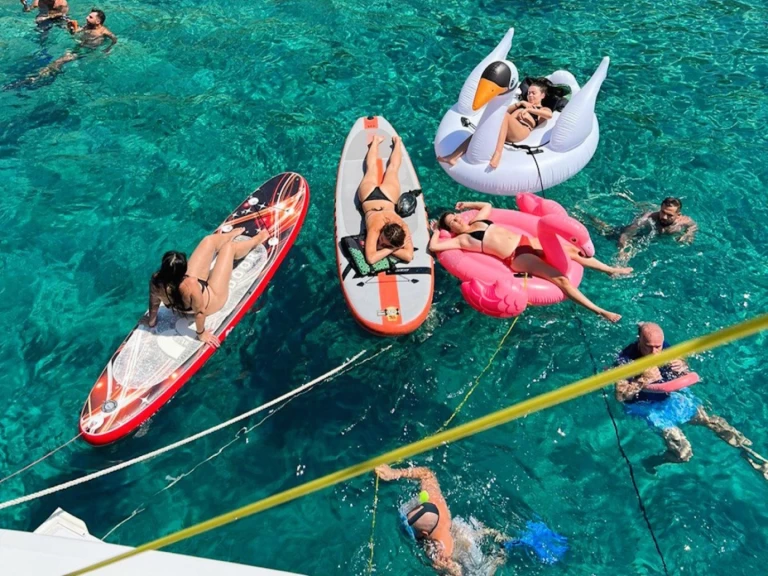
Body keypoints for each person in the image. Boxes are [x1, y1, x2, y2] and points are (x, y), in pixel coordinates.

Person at [429, 201, 626, 322]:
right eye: (453, 222)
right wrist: (438, 230)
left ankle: (609, 269)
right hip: (517, 257)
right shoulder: (461, 239)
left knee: (573, 251)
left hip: (527, 241)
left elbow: (486, 206)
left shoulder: (477, 221)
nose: (458, 220)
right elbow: (435, 248)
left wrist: (467, 204)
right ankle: (600, 311)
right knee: (561, 280)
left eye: (456, 217)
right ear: (452, 229)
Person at [614, 323, 759, 471]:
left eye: (658, 347)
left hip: (671, 397)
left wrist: (682, 365)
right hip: (647, 407)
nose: (654, 353)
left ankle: (752, 455)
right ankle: (652, 462)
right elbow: (620, 396)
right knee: (683, 454)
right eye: (649, 347)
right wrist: (643, 380)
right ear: (639, 340)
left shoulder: (663, 346)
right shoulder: (626, 360)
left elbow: (683, 365)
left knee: (714, 423)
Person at [144, 227, 270, 348]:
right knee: (229, 248)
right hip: (212, 300)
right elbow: (200, 312)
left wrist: (152, 322)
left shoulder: (156, 280)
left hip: (184, 300)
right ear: (182, 272)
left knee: (208, 241)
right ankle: (256, 240)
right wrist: (201, 334)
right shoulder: (190, 284)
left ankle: (229, 236)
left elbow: (154, 302)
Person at [374, 464, 509, 576]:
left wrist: (448, 569)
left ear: (425, 534)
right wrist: (395, 473)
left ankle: (498, 558)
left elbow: (456, 572)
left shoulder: (437, 551)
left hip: (457, 552)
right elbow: (426, 474)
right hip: (461, 530)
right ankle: (493, 535)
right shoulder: (436, 502)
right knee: (468, 535)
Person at [437, 78, 562, 170]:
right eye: (528, 92)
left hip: (521, 131)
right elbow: (501, 113)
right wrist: (520, 104)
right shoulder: (522, 104)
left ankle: (498, 154)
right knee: (485, 126)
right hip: (505, 127)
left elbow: (549, 115)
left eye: (533, 93)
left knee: (504, 117)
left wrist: (529, 110)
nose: (530, 95)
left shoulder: (543, 109)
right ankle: (453, 157)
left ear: (543, 95)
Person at [358, 135, 414, 265]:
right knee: (389, 169)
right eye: (383, 240)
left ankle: (392, 141)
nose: (381, 243)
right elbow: (371, 258)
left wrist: (390, 248)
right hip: (383, 198)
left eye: (383, 242)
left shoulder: (403, 227)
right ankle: (381, 142)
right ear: (382, 231)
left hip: (372, 196)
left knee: (379, 168)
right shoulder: (376, 229)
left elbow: (409, 256)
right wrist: (393, 248)